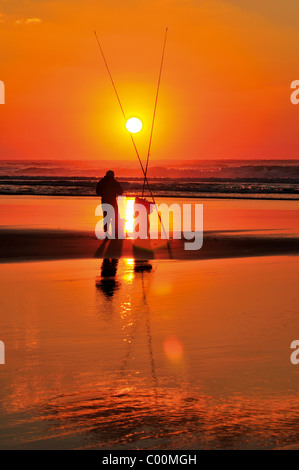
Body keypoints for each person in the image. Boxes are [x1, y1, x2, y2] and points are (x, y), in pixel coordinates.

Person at [96, 170, 123, 235]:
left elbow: (97, 191)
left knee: (106, 217)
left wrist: (104, 193)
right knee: (115, 217)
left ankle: (106, 232)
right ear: (113, 176)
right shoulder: (114, 182)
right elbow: (120, 192)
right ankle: (115, 232)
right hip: (113, 202)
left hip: (104, 201)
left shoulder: (101, 182)